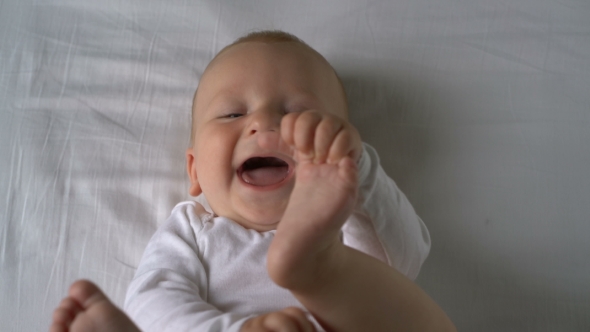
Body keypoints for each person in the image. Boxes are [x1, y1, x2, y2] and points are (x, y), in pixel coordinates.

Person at [50, 30, 456, 332]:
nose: (264, 123)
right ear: (194, 171)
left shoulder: (346, 215)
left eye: (299, 113)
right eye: (231, 114)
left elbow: (402, 263)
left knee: (410, 316)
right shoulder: (194, 231)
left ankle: (321, 268)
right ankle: (315, 268)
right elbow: (153, 303)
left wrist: (356, 172)